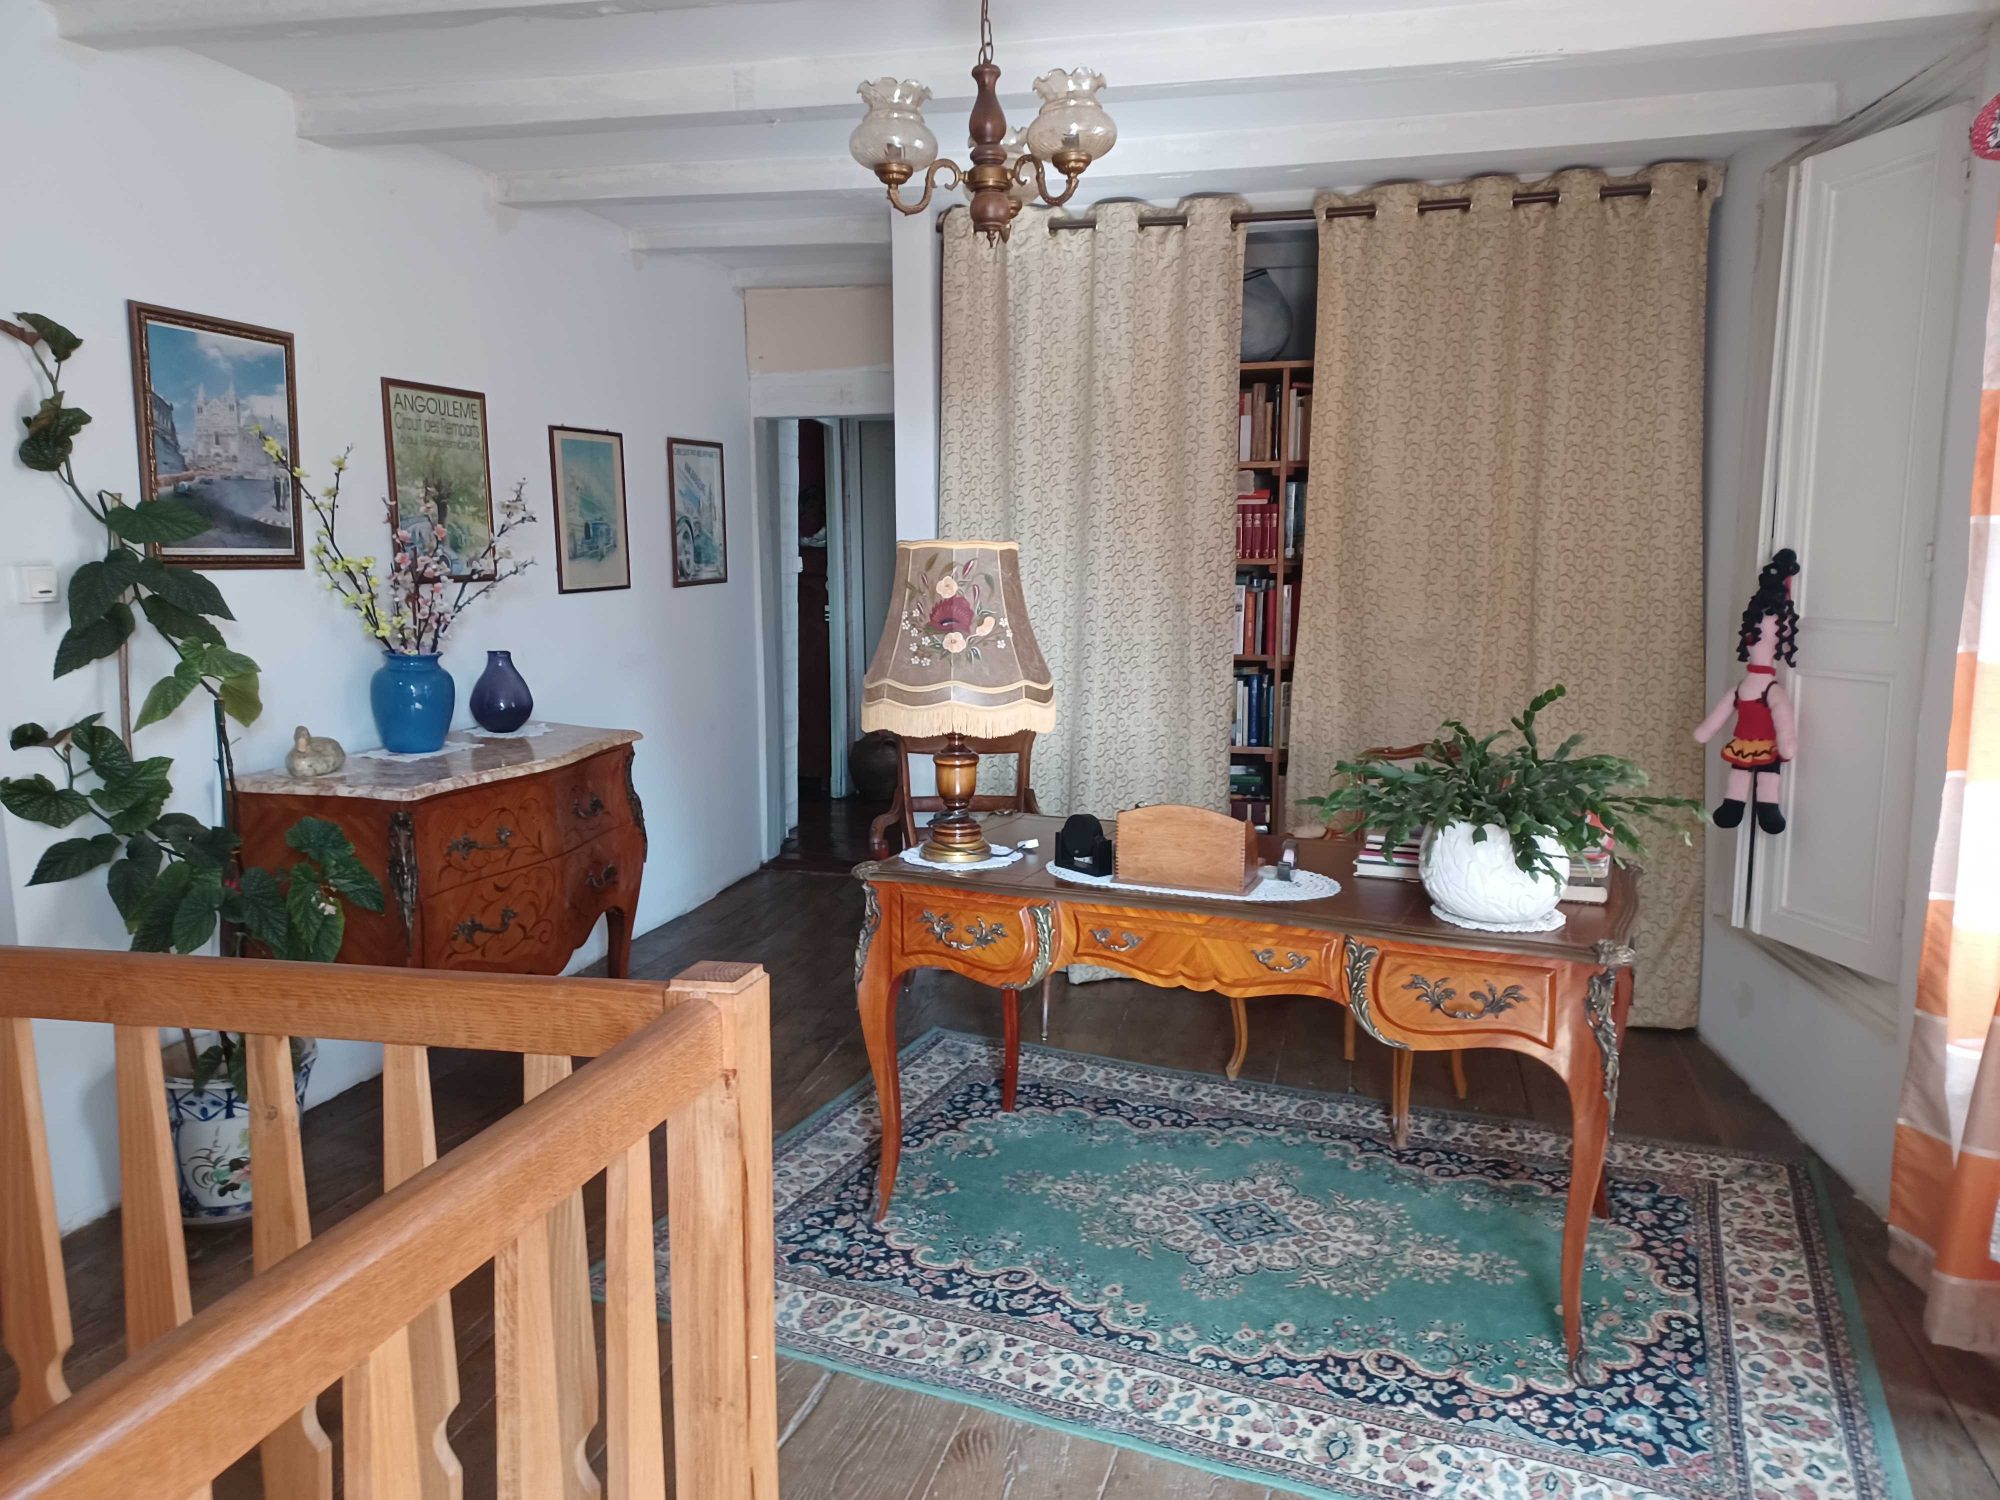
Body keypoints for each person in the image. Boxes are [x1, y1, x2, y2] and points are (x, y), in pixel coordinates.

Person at [1694, 548, 1801, 834]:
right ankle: (1733, 806)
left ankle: (1768, 809)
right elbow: (1721, 712)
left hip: (1765, 743)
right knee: (1739, 775)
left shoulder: (1770, 690)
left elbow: (1783, 720)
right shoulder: (1745, 687)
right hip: (1744, 740)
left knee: (1767, 776)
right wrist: (1705, 731)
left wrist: (1787, 745)